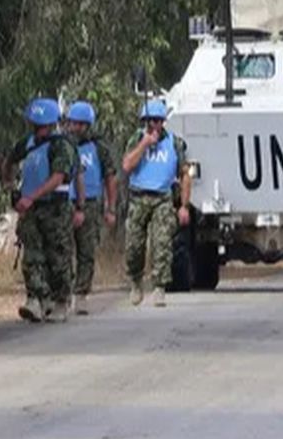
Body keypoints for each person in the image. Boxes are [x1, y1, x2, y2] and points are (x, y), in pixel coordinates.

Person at [2, 98, 77, 323]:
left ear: (53, 124)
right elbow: (9, 161)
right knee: (32, 256)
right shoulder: (26, 144)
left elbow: (58, 177)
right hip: (31, 209)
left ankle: (61, 301)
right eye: (36, 125)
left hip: (55, 207)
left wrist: (31, 196)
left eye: (43, 125)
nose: (39, 129)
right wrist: (11, 186)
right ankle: (35, 299)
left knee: (58, 256)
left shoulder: (62, 145)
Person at [122, 99, 191, 307]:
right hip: (138, 197)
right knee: (134, 245)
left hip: (163, 198)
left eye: (157, 121)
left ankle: (159, 287)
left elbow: (185, 174)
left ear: (163, 122)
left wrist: (184, 206)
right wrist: (144, 144)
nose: (152, 125)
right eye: (149, 121)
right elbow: (127, 165)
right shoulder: (136, 139)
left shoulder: (174, 143)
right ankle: (135, 282)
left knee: (162, 244)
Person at [64, 101, 118, 316]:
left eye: (79, 124)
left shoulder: (99, 148)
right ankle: (63, 293)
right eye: (72, 123)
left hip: (92, 204)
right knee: (62, 250)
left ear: (88, 126)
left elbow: (110, 178)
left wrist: (110, 208)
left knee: (86, 251)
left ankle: (81, 294)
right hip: (64, 203)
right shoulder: (62, 145)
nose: (74, 128)